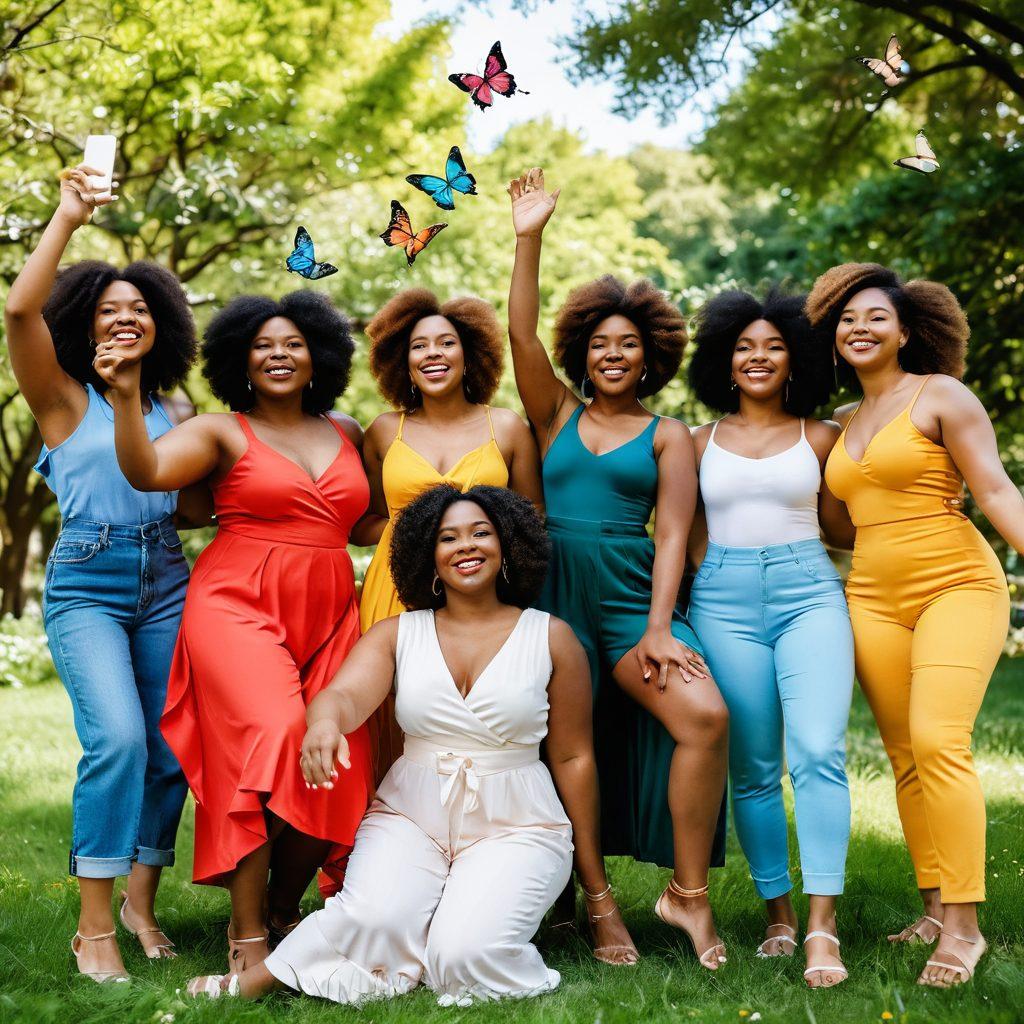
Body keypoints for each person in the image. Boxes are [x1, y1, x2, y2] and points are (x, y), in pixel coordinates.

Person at [186, 483, 633, 1003]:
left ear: (508, 545)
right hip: (411, 814)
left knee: (465, 954)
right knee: (371, 918)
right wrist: (324, 725)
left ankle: (428, 938)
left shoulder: (551, 637)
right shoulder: (399, 634)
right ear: (428, 555)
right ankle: (258, 980)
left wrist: (598, 894)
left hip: (518, 823)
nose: (465, 545)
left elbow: (574, 758)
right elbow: (344, 696)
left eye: (481, 533)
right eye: (448, 538)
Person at [94, 289, 373, 976]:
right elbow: (147, 472)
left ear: (319, 356)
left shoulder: (347, 429)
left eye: (293, 344)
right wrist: (127, 394)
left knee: (344, 759)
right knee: (274, 741)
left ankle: (281, 909)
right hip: (237, 605)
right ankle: (247, 938)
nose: (278, 355)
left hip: (334, 608)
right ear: (239, 361)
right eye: (262, 346)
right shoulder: (222, 430)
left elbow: (364, 521)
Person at [506, 167, 729, 970]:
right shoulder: (556, 412)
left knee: (703, 716)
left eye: (626, 344)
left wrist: (663, 626)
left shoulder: (669, 435)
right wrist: (528, 237)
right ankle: (577, 899)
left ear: (649, 356)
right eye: (600, 343)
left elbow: (672, 534)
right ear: (584, 352)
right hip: (553, 590)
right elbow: (521, 337)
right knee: (555, 742)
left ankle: (688, 895)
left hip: (634, 595)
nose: (612, 353)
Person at [3, 165, 200, 982]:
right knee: (117, 739)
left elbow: (189, 506)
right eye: (109, 310)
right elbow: (17, 309)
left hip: (168, 576)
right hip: (88, 580)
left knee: (170, 750)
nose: (125, 319)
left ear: (162, 330)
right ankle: (94, 930)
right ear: (83, 325)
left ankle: (141, 905)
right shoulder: (60, 397)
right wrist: (68, 215)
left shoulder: (175, 410)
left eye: (140, 310)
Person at [806, 262, 1024, 988]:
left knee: (938, 741)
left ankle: (964, 928)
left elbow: (994, 487)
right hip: (869, 596)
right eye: (847, 320)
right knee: (903, 754)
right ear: (832, 338)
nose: (860, 328)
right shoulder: (839, 426)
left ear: (907, 330)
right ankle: (932, 906)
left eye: (875, 317)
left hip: (957, 584)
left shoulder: (941, 396)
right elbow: (840, 525)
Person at [686, 287, 855, 987]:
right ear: (725, 361)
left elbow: (845, 530)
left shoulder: (822, 437)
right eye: (745, 346)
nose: (759, 357)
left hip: (808, 592)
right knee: (752, 769)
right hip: (721, 600)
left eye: (774, 346)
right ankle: (777, 915)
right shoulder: (698, 443)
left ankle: (823, 924)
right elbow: (683, 537)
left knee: (818, 751)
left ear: (795, 359)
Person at [359, 288, 542, 780]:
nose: (434, 354)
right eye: (420, 346)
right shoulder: (381, 432)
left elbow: (533, 517)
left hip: (486, 590)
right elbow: (365, 520)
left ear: (471, 353)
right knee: (397, 734)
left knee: (479, 720)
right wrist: (407, 529)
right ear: (402, 360)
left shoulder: (505, 427)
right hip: (396, 589)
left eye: (447, 343)